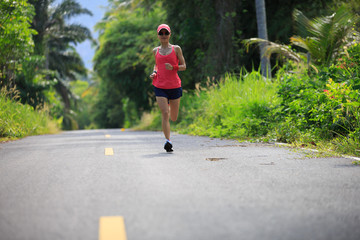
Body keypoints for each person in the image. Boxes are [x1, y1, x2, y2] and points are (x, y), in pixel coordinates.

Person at [149, 24, 186, 152]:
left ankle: (171, 114)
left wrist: (174, 67)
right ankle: (168, 141)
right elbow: (156, 65)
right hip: (159, 86)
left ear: (170, 34)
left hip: (175, 86)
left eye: (166, 33)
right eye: (161, 33)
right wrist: (154, 72)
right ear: (158, 35)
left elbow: (184, 66)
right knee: (165, 113)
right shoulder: (155, 51)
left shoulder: (176, 49)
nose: (163, 35)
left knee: (173, 117)